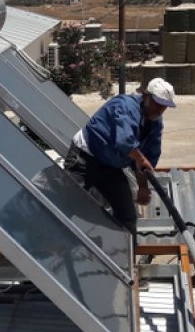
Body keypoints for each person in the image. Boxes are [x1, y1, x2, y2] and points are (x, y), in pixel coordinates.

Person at [64, 78, 176, 233]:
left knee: (127, 216)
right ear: (145, 96)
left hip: (111, 168)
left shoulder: (155, 123)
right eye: (157, 104)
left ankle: (120, 254)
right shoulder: (124, 106)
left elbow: (146, 159)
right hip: (85, 159)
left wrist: (143, 187)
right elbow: (124, 141)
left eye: (164, 107)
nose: (159, 110)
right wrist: (140, 159)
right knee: (65, 206)